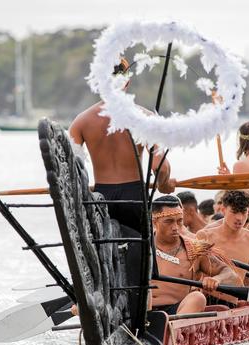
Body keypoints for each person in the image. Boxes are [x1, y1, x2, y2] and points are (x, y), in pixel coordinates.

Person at [69, 58, 175, 232]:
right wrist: (163, 185)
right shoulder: (145, 117)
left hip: (101, 196)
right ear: (127, 80)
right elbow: (161, 167)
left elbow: (73, 169)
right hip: (134, 196)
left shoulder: (81, 121)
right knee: (140, 253)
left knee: (103, 254)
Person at [149, 195, 240, 315]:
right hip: (139, 312)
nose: (175, 227)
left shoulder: (195, 249)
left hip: (176, 312)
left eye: (179, 221)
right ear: (154, 222)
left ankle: (170, 330)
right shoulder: (139, 247)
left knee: (198, 298)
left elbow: (230, 274)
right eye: (169, 221)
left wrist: (216, 279)